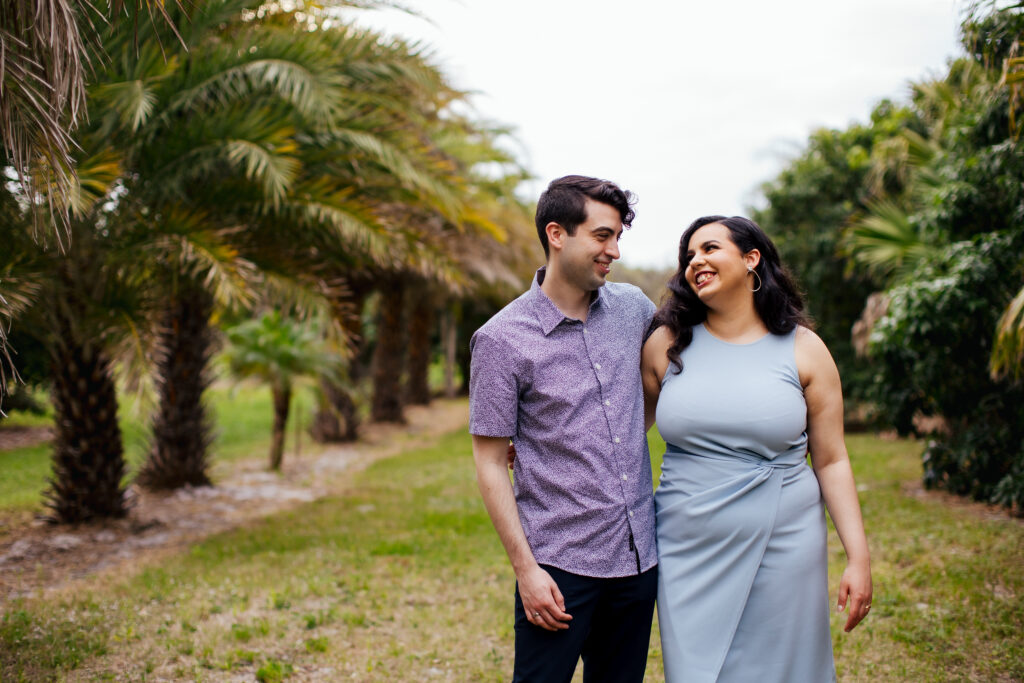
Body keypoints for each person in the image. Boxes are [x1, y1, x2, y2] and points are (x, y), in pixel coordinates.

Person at [641, 215, 872, 682]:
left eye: (709, 248)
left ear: (752, 259)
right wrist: (538, 446)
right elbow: (617, 432)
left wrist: (858, 557)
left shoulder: (805, 349)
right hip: (689, 544)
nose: (696, 261)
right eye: (688, 256)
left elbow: (831, 459)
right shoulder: (665, 346)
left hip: (785, 540)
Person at [469, 175, 658, 682]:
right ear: (557, 233)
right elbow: (489, 463)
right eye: (602, 236)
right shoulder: (500, 339)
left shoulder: (635, 309)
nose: (613, 250)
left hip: (638, 559)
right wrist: (527, 572)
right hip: (558, 569)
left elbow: (667, 378)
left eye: (618, 237)